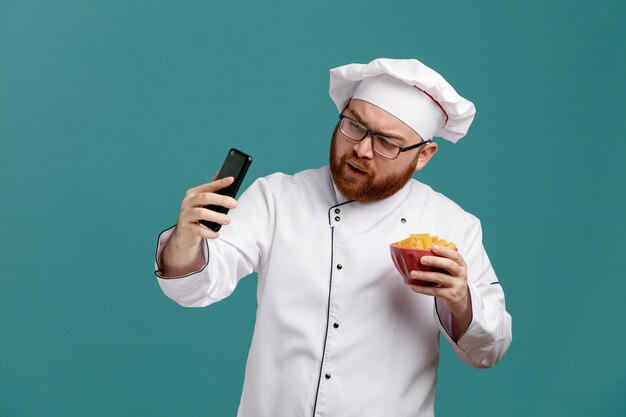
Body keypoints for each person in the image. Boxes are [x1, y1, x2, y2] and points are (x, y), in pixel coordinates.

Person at [154, 58, 512, 417]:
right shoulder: (278, 197)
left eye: (387, 142)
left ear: (423, 156)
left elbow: (488, 351)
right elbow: (193, 289)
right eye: (354, 126)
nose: (362, 149)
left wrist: (460, 299)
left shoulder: (451, 224)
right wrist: (186, 236)